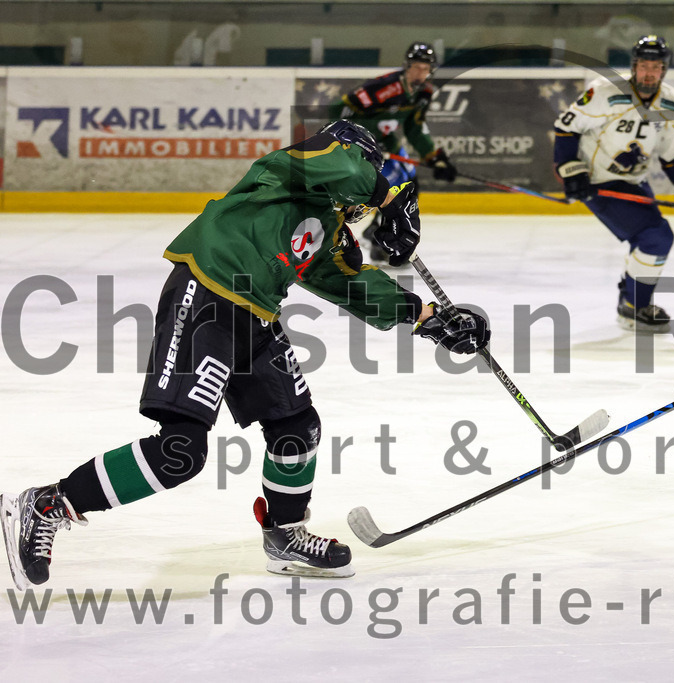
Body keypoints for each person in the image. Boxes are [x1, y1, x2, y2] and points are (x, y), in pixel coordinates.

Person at [0, 120, 490, 589]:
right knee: (180, 451)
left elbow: (348, 282)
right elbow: (340, 165)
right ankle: (48, 504)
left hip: (255, 316)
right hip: (207, 295)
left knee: (297, 425)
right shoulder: (289, 170)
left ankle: (285, 535)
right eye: (367, 169)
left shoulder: (328, 224)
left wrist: (427, 317)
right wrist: (389, 195)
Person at [553, 34, 674, 334]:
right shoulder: (605, 92)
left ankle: (631, 298)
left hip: (633, 181)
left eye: (656, 66)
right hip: (599, 182)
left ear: (664, 69)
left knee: (651, 239)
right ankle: (633, 306)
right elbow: (566, 128)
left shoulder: (672, 102)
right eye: (644, 66)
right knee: (655, 238)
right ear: (634, 66)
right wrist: (571, 171)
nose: (649, 72)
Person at [329, 41, 458, 264]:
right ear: (407, 66)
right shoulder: (383, 88)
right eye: (416, 67)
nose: (420, 73)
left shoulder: (424, 92)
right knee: (383, 187)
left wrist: (434, 157)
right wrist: (356, 139)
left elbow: (414, 127)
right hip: (363, 145)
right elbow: (338, 110)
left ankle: (379, 234)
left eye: (425, 69)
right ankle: (376, 237)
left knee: (410, 185)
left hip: (386, 143)